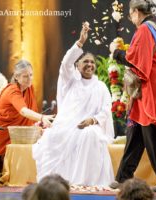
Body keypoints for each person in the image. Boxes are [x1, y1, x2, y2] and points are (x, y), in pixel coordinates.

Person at [109, 0, 156, 192]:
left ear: (135, 12)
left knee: (153, 135)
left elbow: (137, 65)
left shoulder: (144, 30)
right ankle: (123, 177)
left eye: (130, 15)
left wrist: (116, 53)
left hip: (150, 91)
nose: (131, 19)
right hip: (153, 88)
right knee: (136, 134)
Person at [32, 22, 115, 186]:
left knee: (90, 134)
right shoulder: (70, 81)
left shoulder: (101, 87)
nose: (89, 64)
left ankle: (84, 181)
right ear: (77, 65)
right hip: (67, 126)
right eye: (85, 62)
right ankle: (60, 182)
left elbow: (106, 110)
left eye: (92, 62)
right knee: (54, 137)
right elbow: (65, 64)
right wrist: (80, 43)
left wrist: (92, 120)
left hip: (91, 126)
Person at [0, 60, 54, 155]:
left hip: (20, 135)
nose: (29, 79)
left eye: (31, 75)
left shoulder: (29, 88)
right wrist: (42, 118)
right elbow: (24, 112)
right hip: (4, 135)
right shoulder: (12, 90)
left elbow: (31, 115)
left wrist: (39, 127)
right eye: (25, 76)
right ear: (16, 77)